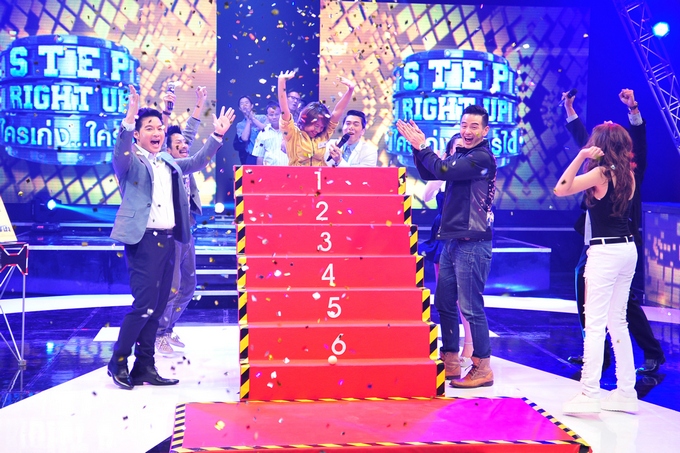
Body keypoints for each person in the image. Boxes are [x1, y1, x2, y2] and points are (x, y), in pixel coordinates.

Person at [107, 84, 235, 390]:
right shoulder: (130, 162)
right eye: (149, 128)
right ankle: (118, 361)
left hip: (170, 239)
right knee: (144, 305)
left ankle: (145, 366)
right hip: (143, 241)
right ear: (137, 135)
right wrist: (129, 118)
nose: (157, 132)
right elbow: (121, 150)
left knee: (159, 305)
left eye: (159, 128)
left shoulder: (167, 161)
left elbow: (198, 161)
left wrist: (217, 136)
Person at [563, 89, 665, 375]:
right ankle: (596, 353)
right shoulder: (598, 170)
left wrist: (633, 109)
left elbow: (639, 143)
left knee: (624, 306)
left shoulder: (631, 171)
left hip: (619, 242)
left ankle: (652, 352)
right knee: (586, 298)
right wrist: (569, 110)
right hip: (593, 242)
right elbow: (585, 142)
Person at [396, 105, 497, 388]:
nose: (467, 131)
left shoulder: (481, 157)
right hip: (452, 239)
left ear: (485, 130)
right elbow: (432, 174)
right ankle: (450, 360)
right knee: (443, 302)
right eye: (464, 125)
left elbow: (441, 168)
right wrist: (417, 148)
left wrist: (423, 145)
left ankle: (482, 367)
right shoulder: (462, 154)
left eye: (474, 126)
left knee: (470, 306)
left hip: (473, 242)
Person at [554, 121, 639, 414]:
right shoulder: (627, 174)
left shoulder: (601, 173)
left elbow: (561, 188)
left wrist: (580, 156)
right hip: (627, 249)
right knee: (618, 322)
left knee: (595, 323)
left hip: (605, 252)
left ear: (600, 146)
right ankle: (626, 392)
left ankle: (589, 393)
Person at [154, 86, 210, 354]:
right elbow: (165, 137)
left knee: (189, 285)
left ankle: (168, 328)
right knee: (173, 285)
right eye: (178, 144)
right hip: (170, 230)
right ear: (167, 149)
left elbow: (188, 133)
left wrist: (200, 103)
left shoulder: (184, 161)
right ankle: (157, 334)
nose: (184, 145)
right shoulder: (163, 163)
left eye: (185, 144)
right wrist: (165, 111)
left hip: (188, 229)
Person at [420, 133, 474, 367]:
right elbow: (426, 196)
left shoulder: (472, 173)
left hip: (463, 233)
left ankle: (470, 345)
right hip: (441, 232)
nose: (460, 151)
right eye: (456, 148)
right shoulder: (443, 173)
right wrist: (440, 167)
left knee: (465, 296)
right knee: (445, 295)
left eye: (464, 147)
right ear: (449, 151)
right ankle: (449, 348)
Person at [277, 69, 355, 166]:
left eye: (322, 127)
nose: (318, 130)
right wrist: (281, 81)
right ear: (306, 120)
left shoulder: (323, 135)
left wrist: (351, 89)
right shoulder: (293, 133)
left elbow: (337, 111)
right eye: (316, 125)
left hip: (321, 174)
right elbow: (284, 110)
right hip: (297, 175)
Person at [233, 95, 267, 165]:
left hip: (265, 155)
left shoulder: (262, 118)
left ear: (252, 106)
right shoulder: (240, 125)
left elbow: (266, 130)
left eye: (246, 103)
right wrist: (248, 121)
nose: (244, 105)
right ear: (239, 108)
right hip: (251, 156)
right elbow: (244, 138)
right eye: (242, 104)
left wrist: (252, 118)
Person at [252, 101, 288, 166]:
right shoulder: (263, 133)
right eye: (271, 115)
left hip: (288, 169)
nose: (274, 117)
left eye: (277, 114)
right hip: (269, 170)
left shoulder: (290, 131)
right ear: (267, 116)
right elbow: (260, 156)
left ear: (281, 114)